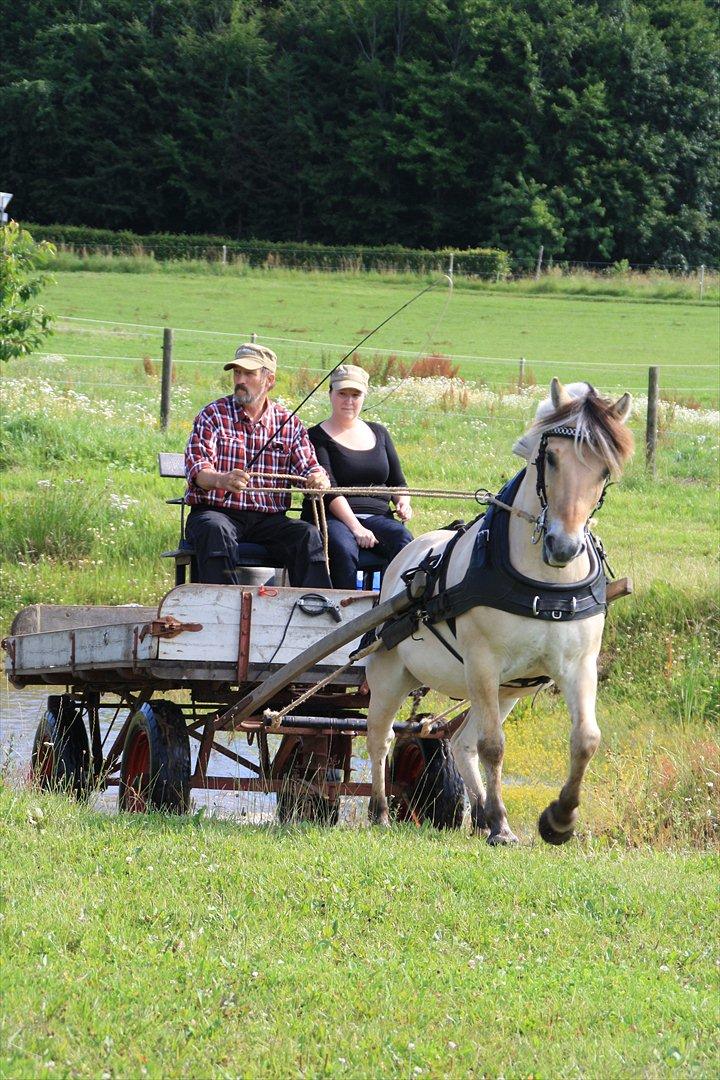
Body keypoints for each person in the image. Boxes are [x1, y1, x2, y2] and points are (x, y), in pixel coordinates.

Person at [184, 342, 332, 587]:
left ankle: (315, 614)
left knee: (307, 535)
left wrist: (318, 478)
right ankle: (223, 610)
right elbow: (197, 469)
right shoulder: (213, 415)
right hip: (216, 512)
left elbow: (309, 466)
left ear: (269, 380)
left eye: (249, 374)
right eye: (237, 373)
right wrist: (221, 479)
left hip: (269, 520)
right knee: (215, 530)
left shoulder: (289, 423)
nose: (240, 380)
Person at [303, 364, 413, 589]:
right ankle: (346, 611)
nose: (349, 401)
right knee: (343, 548)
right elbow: (329, 491)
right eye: (342, 393)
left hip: (378, 516)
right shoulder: (315, 436)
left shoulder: (380, 433)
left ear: (364, 396)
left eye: (355, 395)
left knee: (403, 540)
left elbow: (397, 482)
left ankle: (393, 610)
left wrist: (403, 502)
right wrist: (356, 528)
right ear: (330, 393)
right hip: (332, 518)